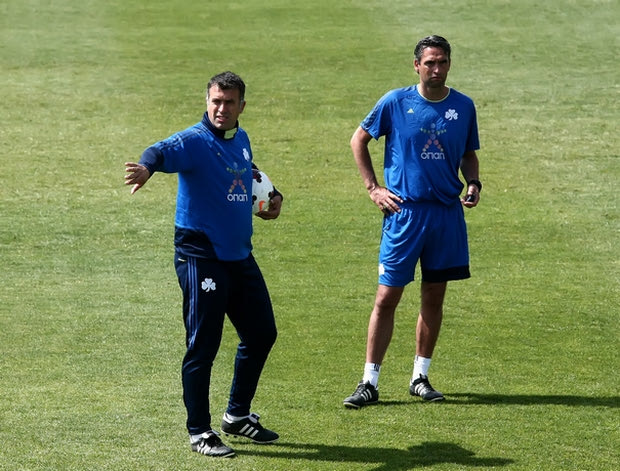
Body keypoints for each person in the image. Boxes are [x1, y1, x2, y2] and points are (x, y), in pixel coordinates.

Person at [125, 71, 283, 458]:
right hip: (200, 256)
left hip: (238, 255)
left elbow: (246, 172)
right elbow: (160, 151)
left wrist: (271, 196)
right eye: (216, 101)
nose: (221, 108)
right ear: (207, 101)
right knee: (203, 344)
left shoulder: (240, 139)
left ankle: (237, 416)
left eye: (229, 102)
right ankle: (199, 431)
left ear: (241, 106)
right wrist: (146, 168)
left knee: (262, 333)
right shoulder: (194, 141)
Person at [343, 36, 481, 408]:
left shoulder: (464, 106)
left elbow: (468, 153)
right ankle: (369, 382)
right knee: (387, 296)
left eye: (442, 62)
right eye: (430, 63)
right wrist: (373, 189)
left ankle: (420, 377)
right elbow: (358, 140)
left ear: (449, 64)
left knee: (434, 295)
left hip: (446, 214)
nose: (436, 69)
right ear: (416, 65)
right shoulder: (395, 102)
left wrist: (473, 182)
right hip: (404, 214)